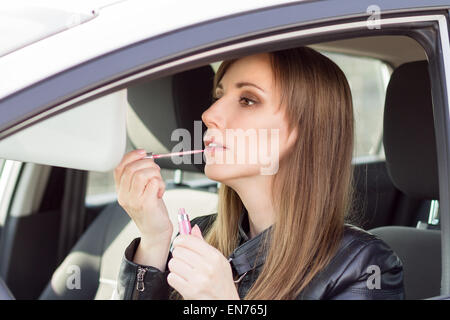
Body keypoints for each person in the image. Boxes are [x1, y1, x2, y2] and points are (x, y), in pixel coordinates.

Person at [114, 47, 404, 300]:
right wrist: (153, 239)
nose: (209, 114)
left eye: (247, 100)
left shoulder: (362, 266)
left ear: (302, 132)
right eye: (219, 95)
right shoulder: (197, 237)